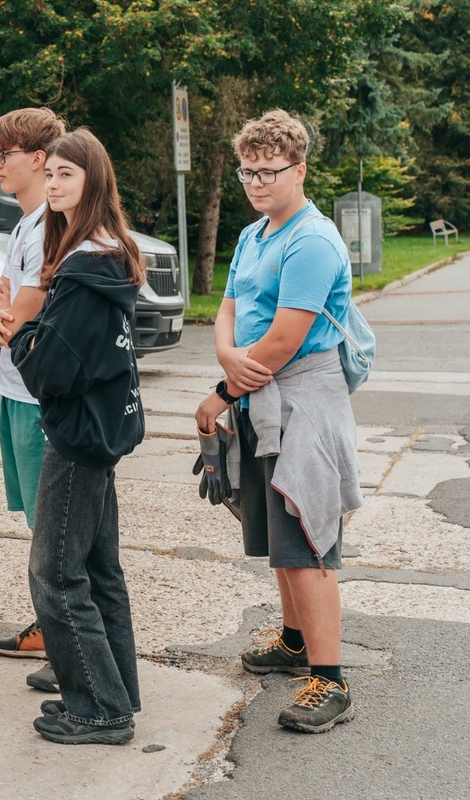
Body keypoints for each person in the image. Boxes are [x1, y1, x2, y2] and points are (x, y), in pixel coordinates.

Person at [195, 109, 361, 734]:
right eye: (247, 171)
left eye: (270, 171)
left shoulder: (312, 240)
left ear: (300, 170)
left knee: (310, 538)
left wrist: (221, 388)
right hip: (258, 391)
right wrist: (226, 356)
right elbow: (229, 309)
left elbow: (287, 339)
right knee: (279, 536)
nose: (258, 182)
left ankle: (332, 680)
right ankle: (294, 644)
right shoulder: (254, 234)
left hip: (302, 399)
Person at [11, 128, 146, 745]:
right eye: (54, 174)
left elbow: (50, 372)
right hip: (101, 428)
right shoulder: (108, 254)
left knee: (56, 575)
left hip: (76, 437)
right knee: (98, 570)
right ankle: (115, 691)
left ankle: (99, 708)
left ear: (93, 182)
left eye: (69, 175)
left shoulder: (85, 266)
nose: (57, 184)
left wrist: (8, 332)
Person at [0, 108, 66, 668]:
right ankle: (49, 623)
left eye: (4, 155)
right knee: (37, 521)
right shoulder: (26, 223)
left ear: (37, 159)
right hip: (14, 388)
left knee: (52, 523)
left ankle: (62, 638)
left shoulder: (54, 223)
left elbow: (16, 317)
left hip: (39, 396)